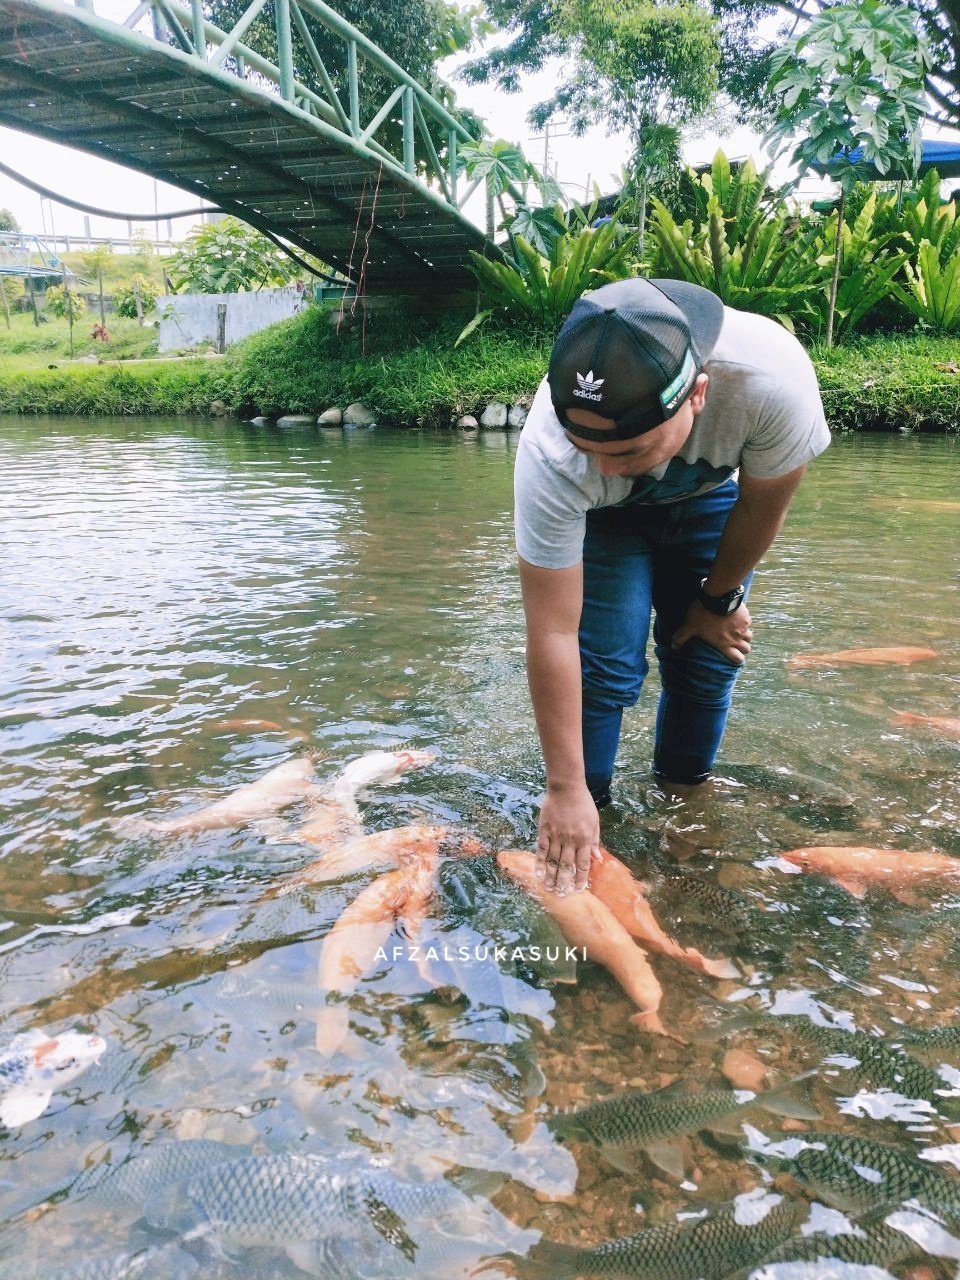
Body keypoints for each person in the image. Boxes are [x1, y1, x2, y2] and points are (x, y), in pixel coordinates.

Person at [514, 277, 830, 895]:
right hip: (601, 527)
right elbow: (552, 630)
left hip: (712, 499)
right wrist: (562, 789)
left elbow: (763, 507)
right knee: (602, 664)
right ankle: (591, 814)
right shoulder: (553, 456)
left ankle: (686, 805)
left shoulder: (771, 382)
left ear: (698, 396)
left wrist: (718, 600)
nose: (603, 469)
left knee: (708, 655)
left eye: (627, 451)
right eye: (590, 449)